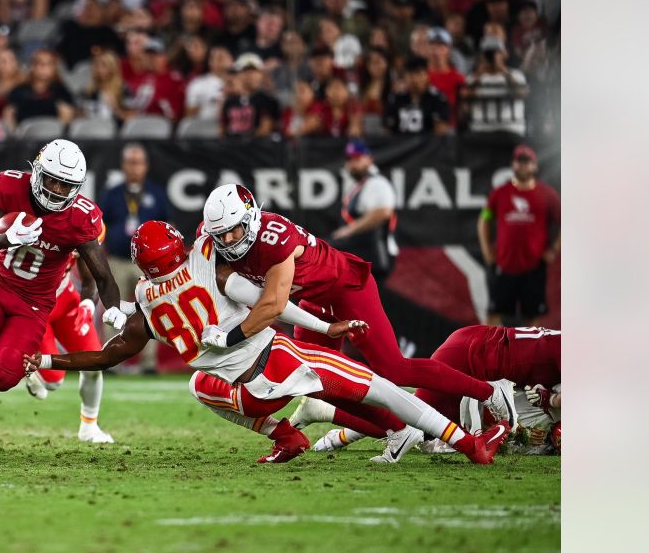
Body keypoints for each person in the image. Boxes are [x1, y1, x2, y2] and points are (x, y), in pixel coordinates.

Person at [24, 220, 511, 465]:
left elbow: (111, 354)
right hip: (278, 361)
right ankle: (468, 444)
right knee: (383, 387)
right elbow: (270, 303)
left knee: (198, 384)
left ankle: (284, 434)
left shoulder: (147, 297)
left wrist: (48, 357)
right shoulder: (208, 265)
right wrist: (326, 330)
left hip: (241, 392)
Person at [199, 183, 520, 429]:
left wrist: (227, 338)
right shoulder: (214, 241)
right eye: (221, 236)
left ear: (251, 216)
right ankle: (399, 431)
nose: (229, 242)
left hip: (345, 288)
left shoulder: (274, 239)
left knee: (393, 368)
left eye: (235, 231)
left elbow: (273, 305)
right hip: (314, 301)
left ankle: (490, 392)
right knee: (313, 379)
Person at [0, 139, 124, 467]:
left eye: (66, 185)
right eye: (51, 180)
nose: (57, 190)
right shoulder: (10, 187)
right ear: (36, 171)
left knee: (3, 379)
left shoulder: (81, 217)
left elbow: (100, 274)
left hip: (35, 304)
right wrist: (8, 238)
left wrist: (114, 309)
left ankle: (83, 418)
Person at [297, 325, 559, 459]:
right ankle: (324, 411)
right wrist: (550, 399)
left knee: (417, 418)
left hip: (474, 344)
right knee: (410, 424)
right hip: (473, 361)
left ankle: (338, 432)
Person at [19, 254, 115, 444]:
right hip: (34, 306)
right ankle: (22, 365)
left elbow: (92, 276)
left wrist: (87, 305)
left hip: (65, 299)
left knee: (94, 362)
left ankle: (89, 426)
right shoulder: (32, 226)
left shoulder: (84, 227)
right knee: (53, 383)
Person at [99, 144, 169, 373]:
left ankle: (148, 363)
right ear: (123, 165)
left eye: (138, 162)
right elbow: (98, 229)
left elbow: (169, 228)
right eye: (130, 162)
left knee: (151, 310)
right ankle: (109, 358)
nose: (134, 167)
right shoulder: (112, 194)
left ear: (146, 166)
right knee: (112, 307)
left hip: (147, 267)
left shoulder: (157, 194)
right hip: (118, 260)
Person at [478, 144, 560, 326]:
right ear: (512, 165)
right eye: (519, 162)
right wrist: (486, 249)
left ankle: (529, 355)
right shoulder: (499, 194)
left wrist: (554, 249)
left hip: (534, 266)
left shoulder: (547, 195)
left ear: (534, 166)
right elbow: (484, 219)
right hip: (504, 264)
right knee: (493, 317)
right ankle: (490, 354)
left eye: (527, 162)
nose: (523, 166)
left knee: (532, 319)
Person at [333, 140, 398, 285]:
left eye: (357, 159)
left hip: (376, 255)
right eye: (349, 160)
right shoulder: (359, 185)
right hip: (364, 255)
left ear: (369, 159)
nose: (352, 164)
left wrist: (350, 230)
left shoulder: (377, 183)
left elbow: (383, 212)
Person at [460, 36, 528, 134]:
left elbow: (521, 93)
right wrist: (479, 75)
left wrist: (504, 72)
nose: (493, 56)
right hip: (481, 131)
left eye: (497, 52)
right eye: (488, 53)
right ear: (481, 56)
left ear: (504, 54)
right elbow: (465, 99)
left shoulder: (516, 75)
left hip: (511, 131)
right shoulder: (472, 78)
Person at [384, 56, 450, 135]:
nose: (414, 79)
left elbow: (441, 130)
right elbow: (387, 130)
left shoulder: (437, 98)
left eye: (418, 73)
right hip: (400, 145)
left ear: (427, 75)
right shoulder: (396, 98)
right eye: (409, 74)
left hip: (429, 146)